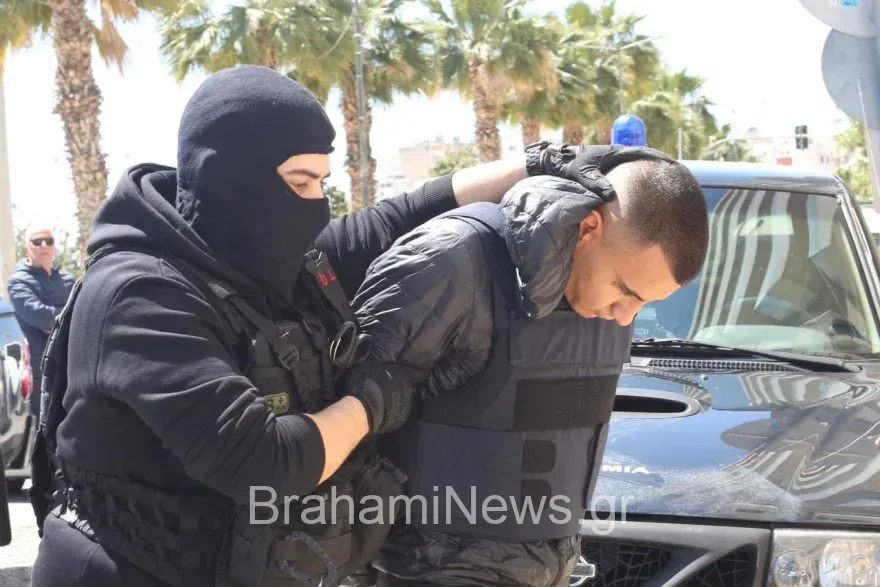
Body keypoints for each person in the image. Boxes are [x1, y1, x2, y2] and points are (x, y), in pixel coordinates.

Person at [27, 65, 622, 587]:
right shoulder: (140, 294)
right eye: (299, 183)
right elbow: (263, 461)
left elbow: (407, 212)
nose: (316, 205)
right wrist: (370, 405)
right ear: (228, 177)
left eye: (322, 183)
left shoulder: (280, 266)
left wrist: (537, 163)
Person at [349, 149, 711, 587]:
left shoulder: (603, 298)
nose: (624, 317)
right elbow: (343, 416)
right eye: (624, 290)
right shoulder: (455, 259)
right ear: (589, 228)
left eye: (644, 304)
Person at [7, 226, 75, 418]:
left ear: (54, 247)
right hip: (40, 368)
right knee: (44, 421)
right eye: (37, 242)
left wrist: (57, 323)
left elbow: (83, 309)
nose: (43, 245)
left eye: (49, 241)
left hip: (71, 363)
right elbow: (41, 316)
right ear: (27, 248)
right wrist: (69, 320)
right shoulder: (18, 282)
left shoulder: (68, 280)